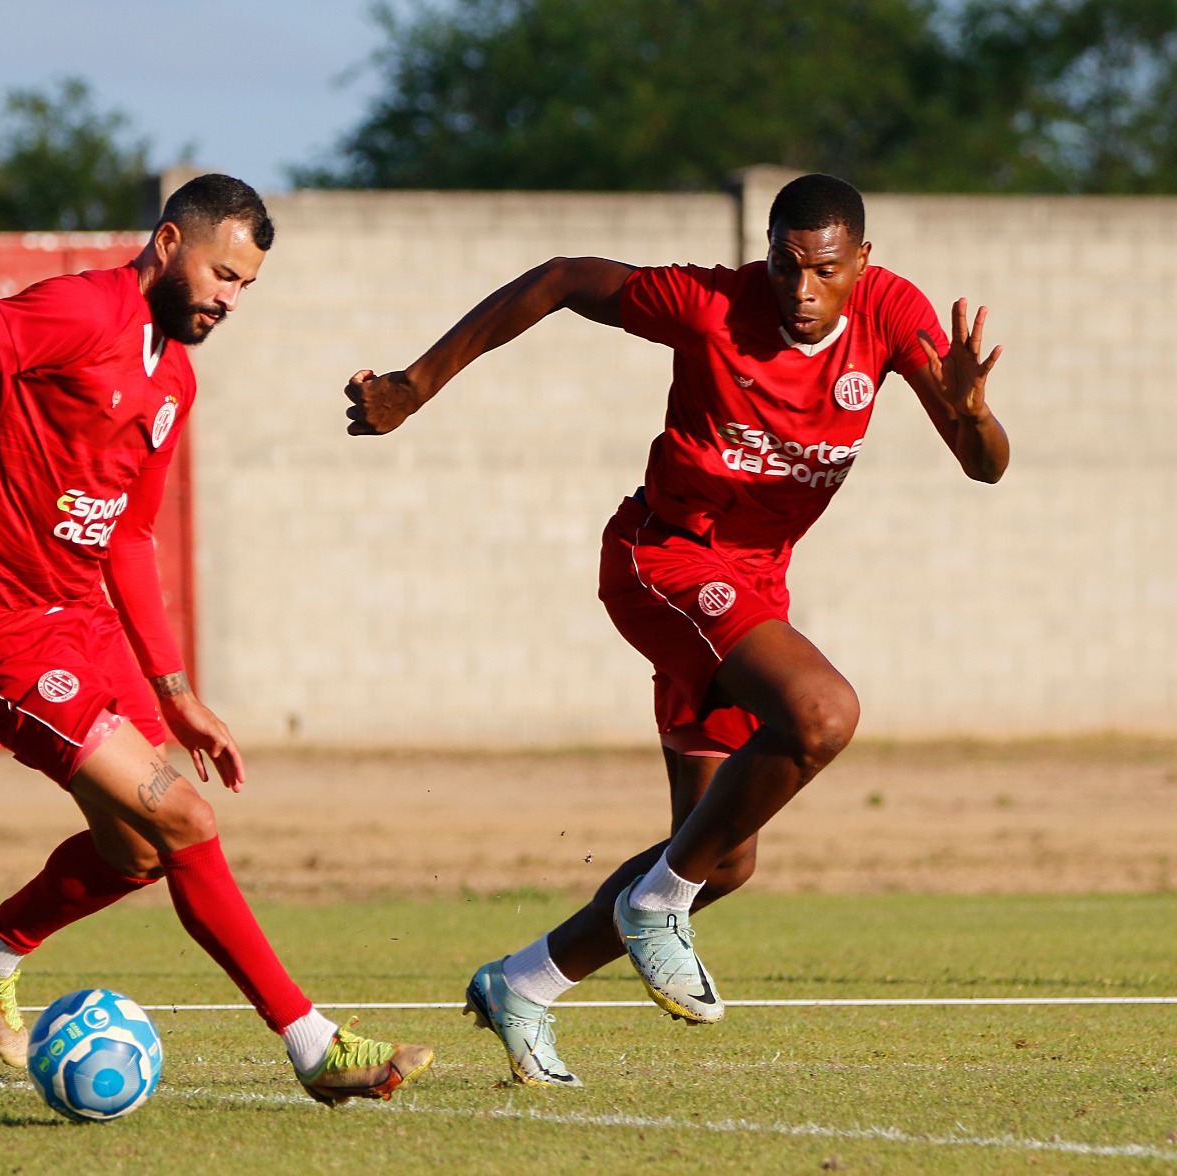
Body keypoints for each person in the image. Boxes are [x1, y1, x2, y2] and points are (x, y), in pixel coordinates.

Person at [343, 173, 1006, 1088]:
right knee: (822, 713)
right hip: (664, 564)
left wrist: (970, 410)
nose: (801, 293)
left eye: (821, 271)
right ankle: (658, 906)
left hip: (752, 592)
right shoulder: (706, 304)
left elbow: (984, 470)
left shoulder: (893, 314)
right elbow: (564, 277)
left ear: (862, 260)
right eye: (783, 268)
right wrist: (415, 385)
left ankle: (522, 984)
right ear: (764, 257)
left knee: (721, 857)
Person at [0, 173, 431, 1107]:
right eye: (221, 275)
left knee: (142, 854)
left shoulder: (175, 379)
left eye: (244, 287)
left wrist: (176, 690)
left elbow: (130, 534)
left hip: (81, 631)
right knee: (187, 820)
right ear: (166, 244)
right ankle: (315, 1047)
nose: (229, 300)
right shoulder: (80, 310)